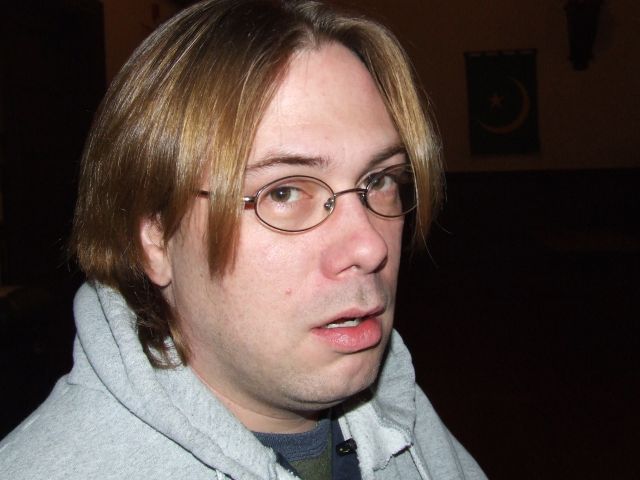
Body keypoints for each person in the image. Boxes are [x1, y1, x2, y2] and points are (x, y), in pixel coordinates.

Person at [0, 1, 486, 478]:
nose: (370, 247)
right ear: (155, 239)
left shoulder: (408, 420)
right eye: (283, 192)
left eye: (378, 180)